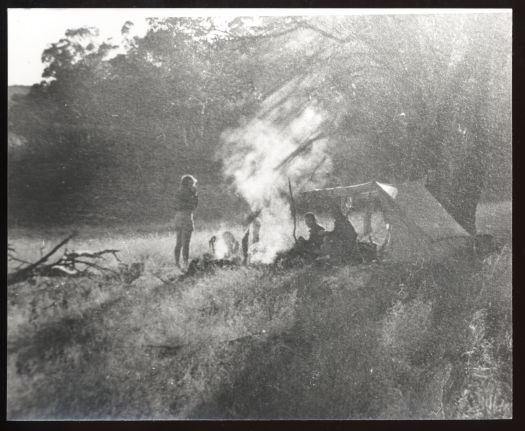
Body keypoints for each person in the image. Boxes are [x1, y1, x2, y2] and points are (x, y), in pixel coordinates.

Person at [174, 174, 198, 269]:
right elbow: (194, 206)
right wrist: (195, 195)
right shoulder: (191, 193)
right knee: (186, 243)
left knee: (179, 242)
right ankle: (185, 264)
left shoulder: (178, 191)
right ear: (189, 183)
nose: (193, 184)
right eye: (192, 183)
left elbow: (175, 205)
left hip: (178, 217)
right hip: (187, 217)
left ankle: (177, 263)